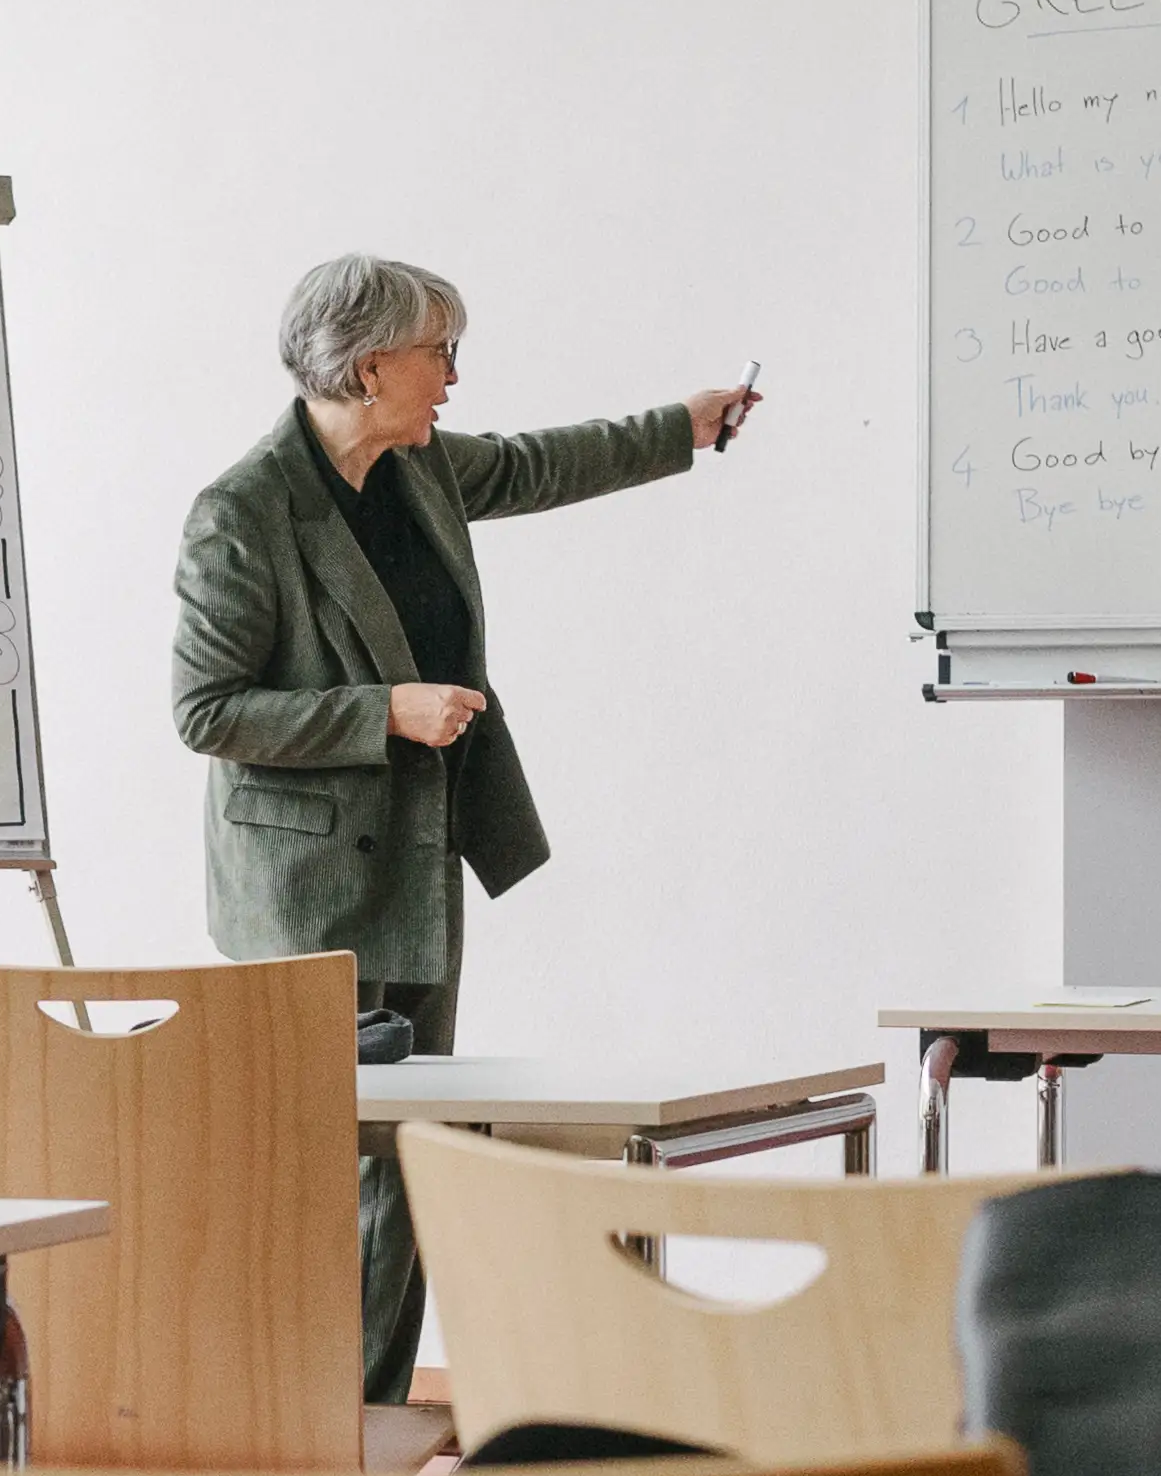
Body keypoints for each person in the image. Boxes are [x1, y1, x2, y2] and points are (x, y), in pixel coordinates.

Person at [170, 256, 754, 1400]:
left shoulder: (419, 467)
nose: (451, 375)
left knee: (414, 1168)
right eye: (438, 350)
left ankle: (369, 1423)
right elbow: (206, 710)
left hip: (416, 866)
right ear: (368, 360)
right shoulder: (241, 513)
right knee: (330, 1176)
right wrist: (380, 710)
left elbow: (541, 464)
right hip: (303, 896)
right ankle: (299, 1426)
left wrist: (681, 426)